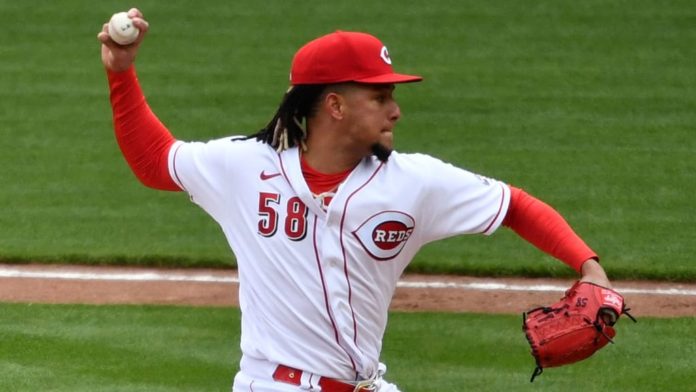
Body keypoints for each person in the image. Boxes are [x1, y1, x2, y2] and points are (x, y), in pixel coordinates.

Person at [98, 8, 616, 392]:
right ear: (335, 105)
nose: (395, 112)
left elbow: (515, 205)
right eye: (381, 97)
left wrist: (588, 266)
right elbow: (154, 161)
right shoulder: (244, 167)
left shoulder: (416, 182)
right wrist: (121, 71)